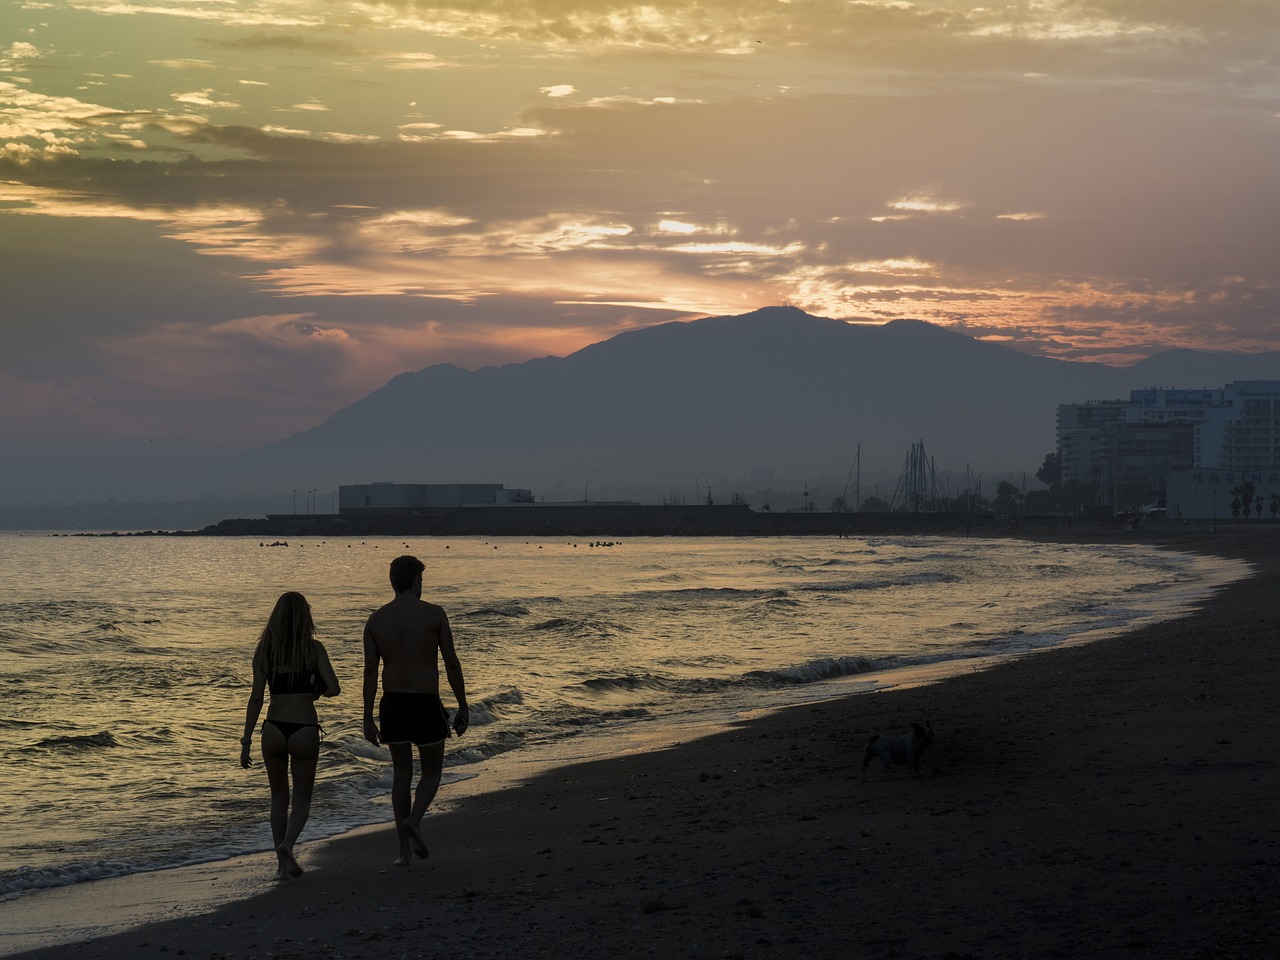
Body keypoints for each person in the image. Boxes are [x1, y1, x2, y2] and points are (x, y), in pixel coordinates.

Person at [363, 555, 469, 865]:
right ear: (416, 582)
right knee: (432, 771)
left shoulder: (376, 620)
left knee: (401, 775)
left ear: (393, 582)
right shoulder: (434, 615)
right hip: (424, 701)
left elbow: (370, 672)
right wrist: (462, 704)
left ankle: (402, 853)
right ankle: (415, 819)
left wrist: (367, 716)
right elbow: (451, 662)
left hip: (392, 703)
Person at [240, 591, 340, 880]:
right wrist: (315, 692)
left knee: (278, 797)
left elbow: (256, 698)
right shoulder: (314, 649)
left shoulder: (264, 651)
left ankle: (282, 866)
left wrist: (245, 740)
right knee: (303, 800)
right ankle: (287, 846)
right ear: (305, 617)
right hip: (304, 729)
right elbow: (334, 688)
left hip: (272, 729)